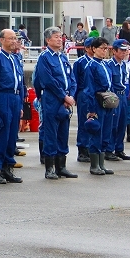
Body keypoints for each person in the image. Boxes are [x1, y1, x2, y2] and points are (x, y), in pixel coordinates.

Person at [34, 27, 77, 180]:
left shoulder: (63, 57)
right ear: (48, 40)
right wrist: (63, 96)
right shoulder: (44, 57)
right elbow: (46, 80)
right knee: (51, 132)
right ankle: (50, 167)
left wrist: (71, 95)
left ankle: (62, 166)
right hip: (52, 98)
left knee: (63, 133)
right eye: (56, 37)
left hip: (65, 99)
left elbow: (71, 78)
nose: (60, 39)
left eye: (60, 37)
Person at [0, 29, 24, 184]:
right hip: (3, 97)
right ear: (2, 40)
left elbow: (21, 82)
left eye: (15, 38)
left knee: (11, 135)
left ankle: (7, 167)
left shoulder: (15, 58)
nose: (14, 41)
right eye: (10, 38)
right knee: (1, 134)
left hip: (15, 97)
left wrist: (21, 103)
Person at [83, 37, 114, 176]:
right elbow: (89, 89)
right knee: (96, 132)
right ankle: (94, 165)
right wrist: (91, 110)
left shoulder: (106, 65)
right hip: (96, 100)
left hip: (107, 100)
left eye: (106, 48)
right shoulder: (91, 66)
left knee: (106, 132)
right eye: (101, 48)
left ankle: (102, 163)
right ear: (94, 49)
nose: (104, 51)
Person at [104, 39, 130, 161]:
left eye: (125, 50)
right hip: (114, 95)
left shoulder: (124, 65)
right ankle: (109, 149)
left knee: (122, 122)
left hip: (123, 95)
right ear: (114, 51)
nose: (124, 52)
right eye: (121, 50)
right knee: (113, 123)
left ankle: (119, 149)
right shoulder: (109, 64)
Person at [72, 37, 94, 163]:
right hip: (84, 94)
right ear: (86, 48)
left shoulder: (100, 62)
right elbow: (74, 80)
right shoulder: (80, 62)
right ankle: (82, 149)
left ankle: (91, 148)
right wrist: (75, 97)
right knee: (84, 122)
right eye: (92, 46)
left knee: (94, 122)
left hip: (95, 95)